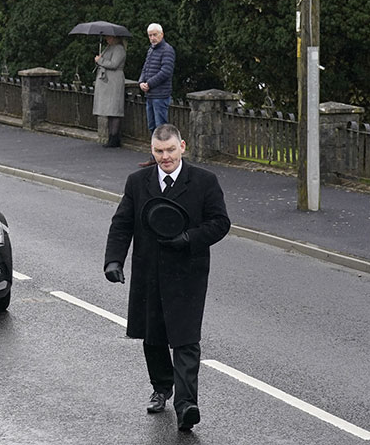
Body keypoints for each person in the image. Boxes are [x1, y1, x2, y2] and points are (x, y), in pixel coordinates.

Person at [103, 123, 230, 433]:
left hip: (188, 274)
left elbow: (220, 223)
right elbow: (122, 223)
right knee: (154, 336)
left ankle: (186, 405)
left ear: (182, 147)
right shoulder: (137, 182)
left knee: (186, 340)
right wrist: (114, 260)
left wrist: (188, 238)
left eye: (170, 150)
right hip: (149, 273)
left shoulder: (204, 182)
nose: (165, 157)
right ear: (152, 150)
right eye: (159, 151)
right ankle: (162, 388)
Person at [137, 23, 176, 167]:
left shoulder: (167, 50)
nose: (152, 38)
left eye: (155, 35)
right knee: (152, 127)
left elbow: (166, 72)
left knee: (161, 128)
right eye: (150, 35)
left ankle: (165, 158)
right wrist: (141, 82)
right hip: (151, 95)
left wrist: (149, 83)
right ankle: (155, 157)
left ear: (162, 34)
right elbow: (145, 68)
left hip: (160, 95)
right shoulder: (151, 50)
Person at [93, 34, 126, 147]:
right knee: (109, 110)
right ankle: (111, 136)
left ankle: (114, 137)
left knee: (114, 109)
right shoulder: (108, 48)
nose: (107, 39)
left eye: (109, 37)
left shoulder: (119, 49)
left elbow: (114, 64)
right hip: (107, 82)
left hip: (114, 81)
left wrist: (100, 60)